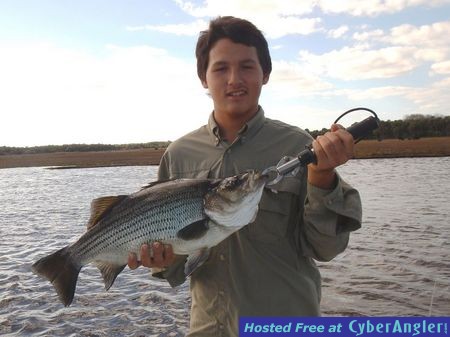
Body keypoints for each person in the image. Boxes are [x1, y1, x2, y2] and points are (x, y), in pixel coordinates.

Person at [128, 16, 362, 337]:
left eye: (247, 67)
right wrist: (161, 259)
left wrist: (322, 176)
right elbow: (175, 268)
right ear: (203, 78)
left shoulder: (299, 146)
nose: (234, 79)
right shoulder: (178, 155)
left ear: (265, 74)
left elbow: (326, 248)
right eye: (221, 68)